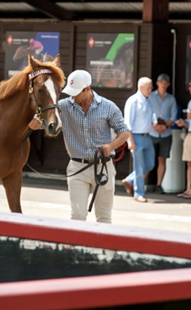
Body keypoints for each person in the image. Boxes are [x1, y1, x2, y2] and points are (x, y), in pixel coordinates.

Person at [30, 69, 129, 224]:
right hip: (77, 168)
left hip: (104, 167)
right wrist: (36, 123)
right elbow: (47, 121)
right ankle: (77, 248)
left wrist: (111, 146)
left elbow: (124, 132)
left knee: (104, 218)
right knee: (77, 216)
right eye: (71, 92)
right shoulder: (63, 106)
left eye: (76, 93)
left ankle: (102, 248)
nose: (73, 96)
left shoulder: (109, 107)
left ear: (87, 89)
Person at [122, 77, 156, 203]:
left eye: (151, 87)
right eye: (148, 88)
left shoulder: (149, 100)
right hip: (136, 136)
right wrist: (130, 141)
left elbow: (152, 116)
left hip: (147, 136)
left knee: (150, 164)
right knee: (139, 166)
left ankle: (129, 180)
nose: (150, 90)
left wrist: (155, 123)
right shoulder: (133, 101)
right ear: (141, 88)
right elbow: (127, 124)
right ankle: (139, 193)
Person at [148, 73, 178, 194]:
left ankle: (159, 184)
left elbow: (173, 116)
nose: (163, 85)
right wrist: (153, 126)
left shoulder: (171, 99)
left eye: (166, 83)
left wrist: (165, 126)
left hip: (166, 133)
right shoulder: (150, 97)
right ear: (157, 83)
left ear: (169, 85)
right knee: (149, 159)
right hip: (152, 132)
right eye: (161, 82)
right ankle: (142, 184)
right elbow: (147, 113)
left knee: (162, 159)